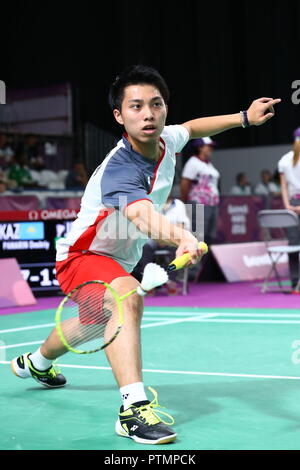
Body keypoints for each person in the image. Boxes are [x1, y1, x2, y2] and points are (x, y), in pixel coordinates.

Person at [11, 65, 280, 445]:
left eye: (155, 104)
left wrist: (243, 118)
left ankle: (36, 363)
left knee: (93, 322)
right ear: (119, 116)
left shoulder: (166, 139)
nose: (148, 114)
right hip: (83, 255)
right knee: (126, 299)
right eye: (136, 106)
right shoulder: (119, 168)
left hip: (118, 258)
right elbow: (140, 214)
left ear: (164, 108)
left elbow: (193, 127)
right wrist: (182, 236)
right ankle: (133, 410)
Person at [132, 191, 191, 294]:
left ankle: (171, 282)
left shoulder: (179, 205)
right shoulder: (151, 204)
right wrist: (159, 239)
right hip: (154, 238)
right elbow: (148, 226)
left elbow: (181, 226)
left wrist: (168, 239)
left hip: (172, 239)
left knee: (177, 248)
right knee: (145, 247)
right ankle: (148, 282)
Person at [180, 136, 219, 246]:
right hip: (198, 204)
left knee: (210, 237)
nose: (211, 149)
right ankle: (195, 263)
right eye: (209, 146)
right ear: (200, 147)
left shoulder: (208, 164)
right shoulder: (193, 162)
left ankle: (204, 263)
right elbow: (185, 183)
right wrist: (185, 203)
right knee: (198, 236)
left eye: (212, 147)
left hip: (212, 205)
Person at [277, 127, 300, 292]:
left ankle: (294, 284)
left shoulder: (284, 159)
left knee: (293, 245)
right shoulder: (286, 160)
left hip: (292, 204)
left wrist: (288, 206)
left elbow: (283, 186)